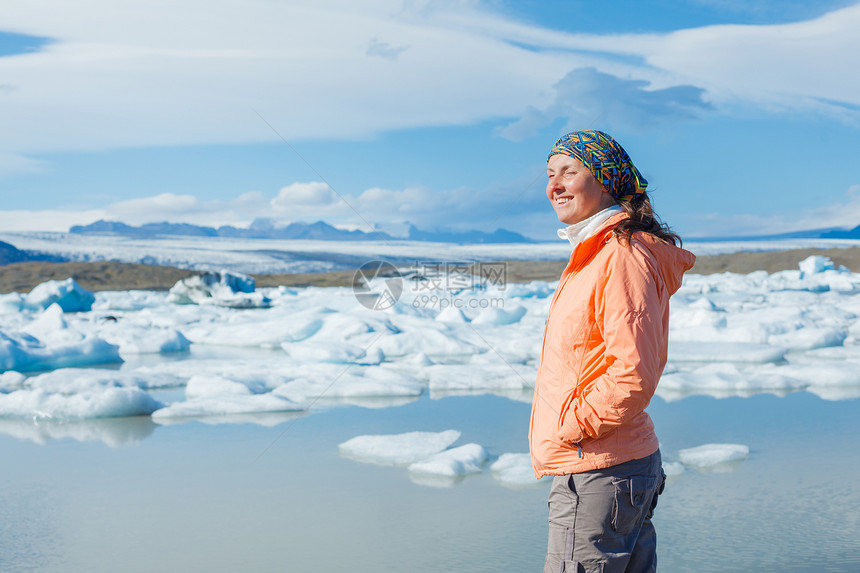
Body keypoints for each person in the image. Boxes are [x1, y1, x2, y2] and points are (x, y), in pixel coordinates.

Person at [529, 130, 696, 573]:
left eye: (570, 171)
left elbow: (632, 372)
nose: (555, 185)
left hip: (599, 466)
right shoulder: (597, 252)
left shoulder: (620, 255)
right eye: (550, 174)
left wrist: (572, 427)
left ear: (605, 179)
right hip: (611, 462)